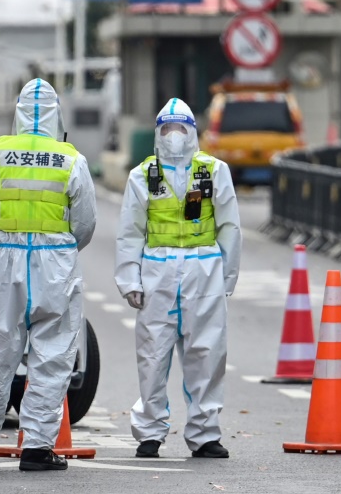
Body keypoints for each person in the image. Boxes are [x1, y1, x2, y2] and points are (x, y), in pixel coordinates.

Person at [0, 78, 97, 471]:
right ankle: (37, 450)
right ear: (57, 113)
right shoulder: (71, 159)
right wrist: (57, 247)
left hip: (6, 261)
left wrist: (5, 240)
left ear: (19, 111)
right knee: (53, 357)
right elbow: (85, 224)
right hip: (56, 264)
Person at [115, 98, 241, 459]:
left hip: (204, 267)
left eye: (180, 129)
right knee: (152, 354)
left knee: (207, 352)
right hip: (157, 268)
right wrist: (130, 280)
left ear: (192, 132)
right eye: (167, 129)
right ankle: (150, 433)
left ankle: (204, 434)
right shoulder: (142, 175)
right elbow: (130, 232)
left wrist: (226, 279)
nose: (174, 136)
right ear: (158, 133)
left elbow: (230, 227)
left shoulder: (215, 171)